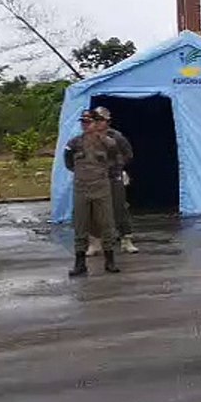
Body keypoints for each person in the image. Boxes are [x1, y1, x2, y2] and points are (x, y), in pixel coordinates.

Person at [64, 111, 120, 276]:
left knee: (106, 224)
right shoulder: (74, 143)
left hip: (101, 187)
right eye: (83, 122)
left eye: (89, 122)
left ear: (97, 123)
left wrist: (105, 175)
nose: (85, 125)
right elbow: (68, 162)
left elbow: (115, 160)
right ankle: (80, 263)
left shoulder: (108, 143)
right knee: (80, 225)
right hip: (81, 187)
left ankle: (110, 261)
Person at [92, 107, 138, 254]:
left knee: (119, 208)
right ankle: (95, 243)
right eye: (95, 120)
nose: (97, 123)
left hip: (113, 176)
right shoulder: (86, 137)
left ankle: (126, 240)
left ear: (107, 122)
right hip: (93, 179)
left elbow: (128, 154)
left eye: (100, 120)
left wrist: (117, 166)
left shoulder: (116, 137)